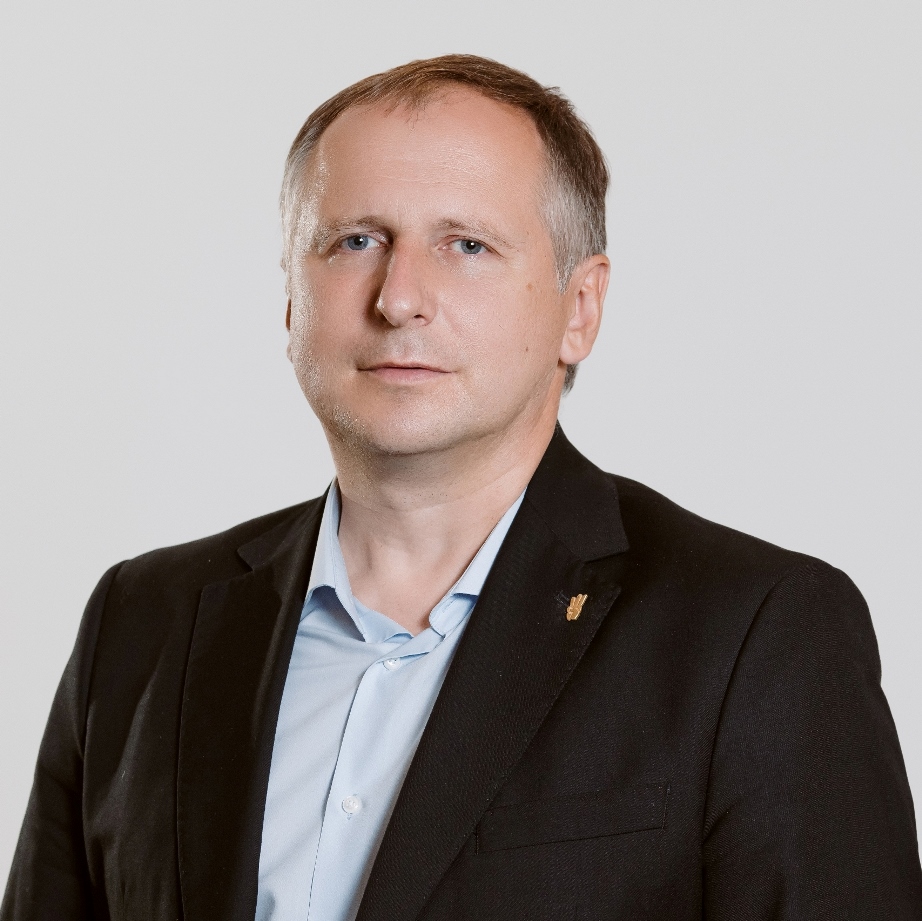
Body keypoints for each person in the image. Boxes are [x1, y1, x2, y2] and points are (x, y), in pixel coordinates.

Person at [3, 53, 921, 921]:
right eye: (355, 240)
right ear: (290, 298)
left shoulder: (754, 634)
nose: (399, 296)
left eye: (467, 245)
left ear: (580, 308)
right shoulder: (142, 623)